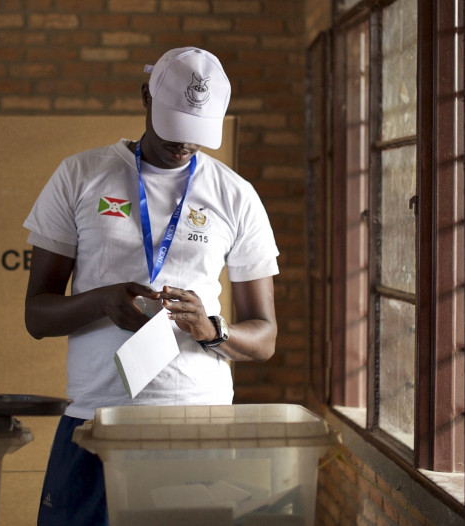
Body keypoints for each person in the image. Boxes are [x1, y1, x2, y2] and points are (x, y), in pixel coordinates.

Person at [23, 47, 279, 526]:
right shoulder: (80, 176)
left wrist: (213, 329)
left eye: (196, 133)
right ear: (146, 95)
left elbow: (264, 338)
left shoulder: (235, 195)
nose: (184, 144)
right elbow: (36, 316)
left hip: (197, 428)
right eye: (174, 125)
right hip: (97, 421)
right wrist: (101, 301)